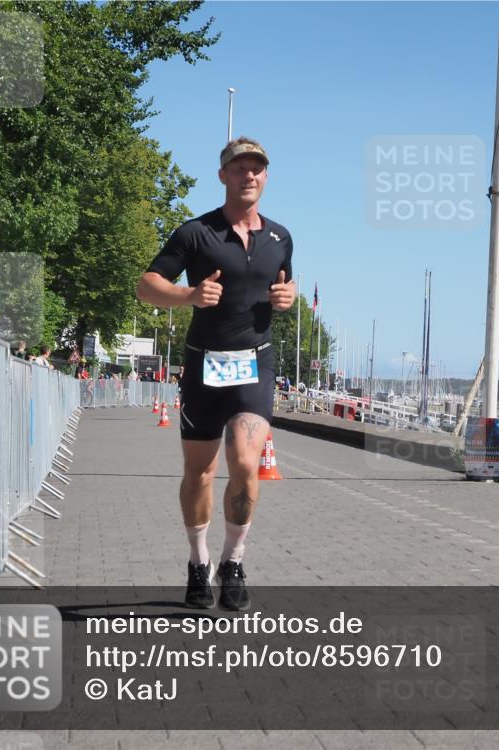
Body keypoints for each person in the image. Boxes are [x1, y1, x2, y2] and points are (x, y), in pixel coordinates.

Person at [136, 137, 295, 610]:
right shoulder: (195, 233)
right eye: (239, 168)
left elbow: (282, 285)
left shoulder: (280, 237)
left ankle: (234, 559)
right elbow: (147, 285)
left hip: (254, 363)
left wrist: (287, 298)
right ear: (223, 175)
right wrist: (187, 296)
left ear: (266, 177)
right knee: (201, 473)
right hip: (204, 363)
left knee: (247, 463)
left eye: (257, 169)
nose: (249, 175)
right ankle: (197, 561)